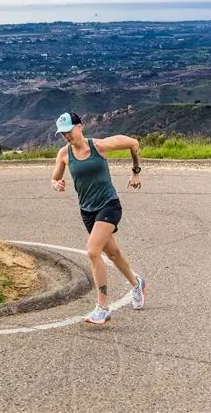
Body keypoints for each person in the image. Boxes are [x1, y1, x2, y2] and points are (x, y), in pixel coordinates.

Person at [51, 112, 146, 325]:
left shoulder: (99, 147)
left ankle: (103, 307)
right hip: (87, 211)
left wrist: (136, 172)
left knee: (93, 251)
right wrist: (56, 184)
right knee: (112, 252)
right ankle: (137, 283)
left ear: (80, 126)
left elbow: (133, 143)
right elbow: (55, 177)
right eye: (62, 133)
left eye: (69, 130)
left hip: (109, 205)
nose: (66, 136)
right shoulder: (64, 154)